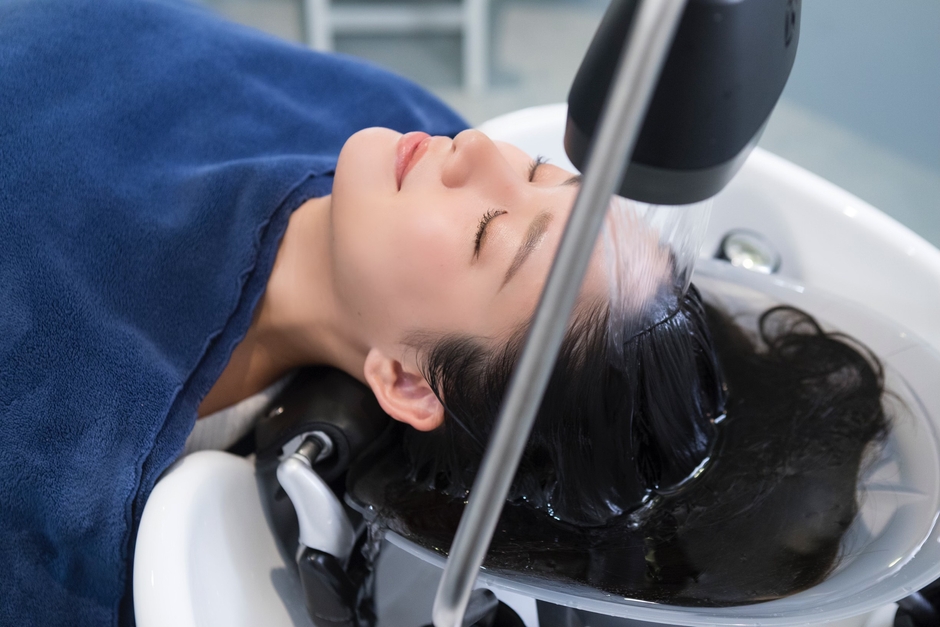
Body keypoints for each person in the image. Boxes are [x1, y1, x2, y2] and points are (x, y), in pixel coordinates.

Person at [0, 0, 888, 625]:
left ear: (407, 378)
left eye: (491, 232)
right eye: (547, 176)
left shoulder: (65, 462)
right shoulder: (403, 126)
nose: (481, 154)